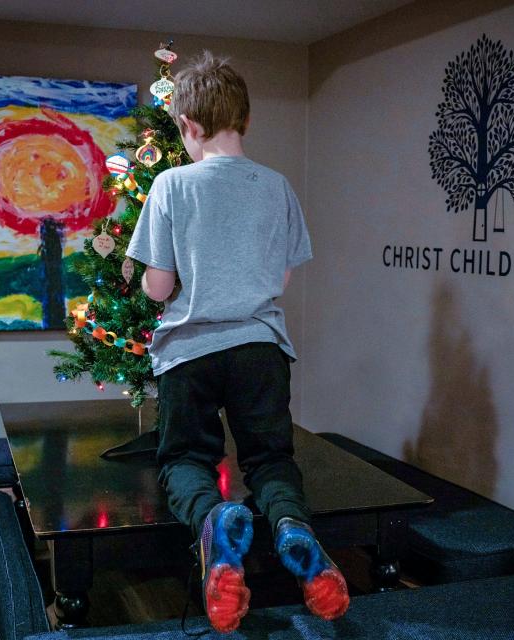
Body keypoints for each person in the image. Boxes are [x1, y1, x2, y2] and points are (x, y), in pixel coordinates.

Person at [126, 51, 349, 634]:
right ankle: (293, 529)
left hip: (190, 353)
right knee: (271, 459)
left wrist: (156, 278)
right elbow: (279, 279)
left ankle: (213, 521)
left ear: (190, 127)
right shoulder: (277, 187)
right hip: (260, 349)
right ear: (244, 121)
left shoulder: (171, 185)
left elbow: (159, 287)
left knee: (184, 460)